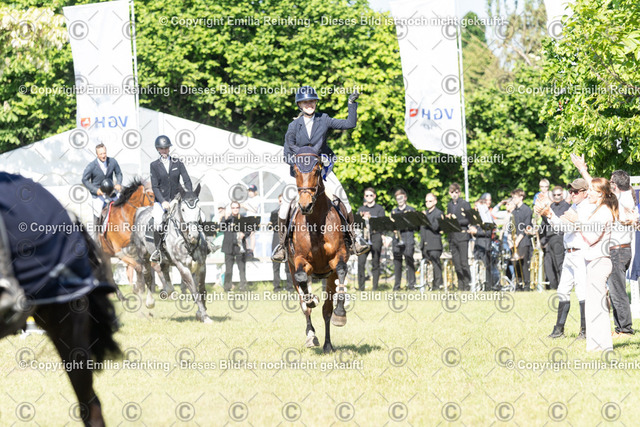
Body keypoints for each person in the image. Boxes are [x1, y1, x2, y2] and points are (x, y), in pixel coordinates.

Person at [272, 85, 368, 262]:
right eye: (305, 102)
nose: (309, 105)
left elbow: (350, 124)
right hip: (300, 175)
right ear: (300, 105)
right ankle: (281, 246)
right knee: (285, 205)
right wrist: (301, 166)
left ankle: (354, 240)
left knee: (343, 198)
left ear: (315, 103)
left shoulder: (323, 119)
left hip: (322, 171)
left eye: (312, 101)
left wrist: (351, 103)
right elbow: (287, 154)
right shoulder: (293, 126)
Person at [572, 154, 638, 338]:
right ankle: (619, 327)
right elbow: (598, 189)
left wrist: (583, 170)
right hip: (620, 249)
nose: (608, 184)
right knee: (615, 289)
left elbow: (599, 189)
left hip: (618, 250)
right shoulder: (623, 197)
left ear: (614, 185)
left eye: (610, 182)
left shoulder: (622, 199)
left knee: (617, 291)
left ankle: (625, 329)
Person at [537, 178, 593, 339]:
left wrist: (549, 214)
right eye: (571, 191)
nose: (572, 194)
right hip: (569, 252)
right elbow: (561, 225)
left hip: (580, 252)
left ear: (585, 192)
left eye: (576, 191)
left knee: (582, 292)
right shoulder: (574, 206)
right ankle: (559, 329)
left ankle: (585, 330)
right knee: (562, 290)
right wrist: (548, 213)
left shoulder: (587, 207)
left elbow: (567, 226)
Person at [575, 178, 617, 352]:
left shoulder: (604, 211)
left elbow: (592, 237)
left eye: (592, 190)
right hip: (595, 261)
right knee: (593, 306)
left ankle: (603, 344)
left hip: (599, 261)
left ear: (600, 194)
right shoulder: (600, 209)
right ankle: (595, 344)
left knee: (597, 306)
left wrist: (577, 223)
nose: (588, 193)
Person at [149, 135, 193, 263]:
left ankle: (205, 243)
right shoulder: (154, 165)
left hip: (176, 199)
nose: (164, 150)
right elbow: (155, 186)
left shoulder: (177, 163)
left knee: (193, 214)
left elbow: (187, 180)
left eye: (166, 148)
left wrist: (189, 195)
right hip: (161, 201)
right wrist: (163, 201)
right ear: (158, 149)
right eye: (161, 148)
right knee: (158, 221)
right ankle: (158, 251)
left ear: (169, 148)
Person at [82, 143, 123, 233]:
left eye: (104, 153)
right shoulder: (91, 166)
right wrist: (96, 190)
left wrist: (119, 183)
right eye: (101, 154)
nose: (103, 156)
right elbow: (84, 180)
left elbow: (119, 173)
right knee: (97, 213)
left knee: (121, 205)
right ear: (97, 154)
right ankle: (96, 234)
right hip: (98, 194)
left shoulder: (112, 161)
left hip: (111, 191)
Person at [540, 186, 570, 290]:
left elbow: (558, 219)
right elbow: (544, 224)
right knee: (549, 264)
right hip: (549, 238)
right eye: (555, 195)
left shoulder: (567, 206)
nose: (557, 197)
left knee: (559, 263)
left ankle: (562, 286)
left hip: (559, 237)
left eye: (559, 195)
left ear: (562, 195)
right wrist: (543, 240)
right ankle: (554, 286)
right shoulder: (551, 206)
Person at [356, 188, 386, 291]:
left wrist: (371, 218)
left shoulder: (380, 209)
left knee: (375, 263)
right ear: (364, 197)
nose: (369, 197)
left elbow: (382, 224)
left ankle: (375, 288)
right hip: (364, 238)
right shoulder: (361, 209)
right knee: (360, 263)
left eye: (371, 195)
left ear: (374, 196)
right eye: (367, 195)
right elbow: (357, 224)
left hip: (375, 236)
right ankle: (361, 288)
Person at [446, 183, 472, 291]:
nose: (454, 194)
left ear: (459, 193)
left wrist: (456, 220)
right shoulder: (449, 205)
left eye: (456, 192)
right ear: (449, 193)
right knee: (456, 263)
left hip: (462, 236)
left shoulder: (465, 204)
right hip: (452, 237)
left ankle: (467, 285)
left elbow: (469, 220)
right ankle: (460, 285)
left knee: (464, 262)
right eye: (452, 192)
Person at [391, 189, 416, 291]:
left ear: (405, 198)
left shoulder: (411, 210)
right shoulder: (394, 211)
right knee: (397, 263)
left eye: (401, 198)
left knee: (409, 261)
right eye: (398, 199)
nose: (400, 200)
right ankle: (397, 286)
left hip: (408, 238)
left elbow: (415, 225)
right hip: (397, 240)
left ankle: (411, 285)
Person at [221, 201, 248, 292]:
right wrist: (225, 218)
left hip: (239, 247)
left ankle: (243, 288)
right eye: (233, 208)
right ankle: (227, 288)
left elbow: (249, 230)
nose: (235, 209)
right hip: (228, 246)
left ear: (239, 208)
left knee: (242, 268)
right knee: (228, 269)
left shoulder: (243, 219)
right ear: (231, 209)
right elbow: (221, 228)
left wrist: (244, 234)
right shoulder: (226, 219)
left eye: (237, 207)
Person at [510, 188, 533, 291]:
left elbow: (526, 227)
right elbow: (511, 227)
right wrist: (511, 240)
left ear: (521, 197)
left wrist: (517, 241)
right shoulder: (514, 211)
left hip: (523, 241)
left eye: (515, 197)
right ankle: (518, 285)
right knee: (516, 264)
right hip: (515, 241)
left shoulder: (527, 210)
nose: (513, 199)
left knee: (524, 264)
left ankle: (526, 285)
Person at [470, 193, 494, 290]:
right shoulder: (477, 218)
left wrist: (476, 231)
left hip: (485, 244)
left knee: (486, 267)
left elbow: (488, 232)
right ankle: (478, 285)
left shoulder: (487, 216)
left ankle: (487, 286)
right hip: (478, 244)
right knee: (477, 266)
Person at [420, 193, 444, 290]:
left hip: (434, 244)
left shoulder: (439, 213)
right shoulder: (425, 213)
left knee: (435, 265)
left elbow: (435, 227)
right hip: (425, 243)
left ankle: (437, 285)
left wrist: (425, 218)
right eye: (426, 201)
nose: (427, 203)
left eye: (430, 201)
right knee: (427, 266)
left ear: (435, 202)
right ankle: (428, 284)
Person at [270, 195, 293, 292]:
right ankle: (276, 287)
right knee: (276, 265)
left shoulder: (291, 212)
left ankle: (290, 287)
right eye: (280, 201)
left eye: (283, 201)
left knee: (288, 265)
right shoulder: (274, 213)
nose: (281, 203)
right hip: (276, 237)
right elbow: (272, 226)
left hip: (287, 238)